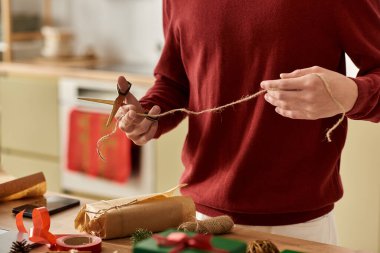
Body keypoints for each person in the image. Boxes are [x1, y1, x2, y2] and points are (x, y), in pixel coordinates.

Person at [115, 0, 380, 244]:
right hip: (199, 219)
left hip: (296, 228)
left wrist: (349, 95)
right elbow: (175, 81)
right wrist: (149, 115)